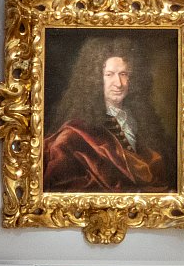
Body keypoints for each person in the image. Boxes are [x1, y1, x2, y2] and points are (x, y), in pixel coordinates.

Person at [43, 38, 171, 192]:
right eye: (109, 74)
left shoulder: (139, 121)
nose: (118, 83)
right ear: (95, 79)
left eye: (123, 74)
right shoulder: (74, 134)